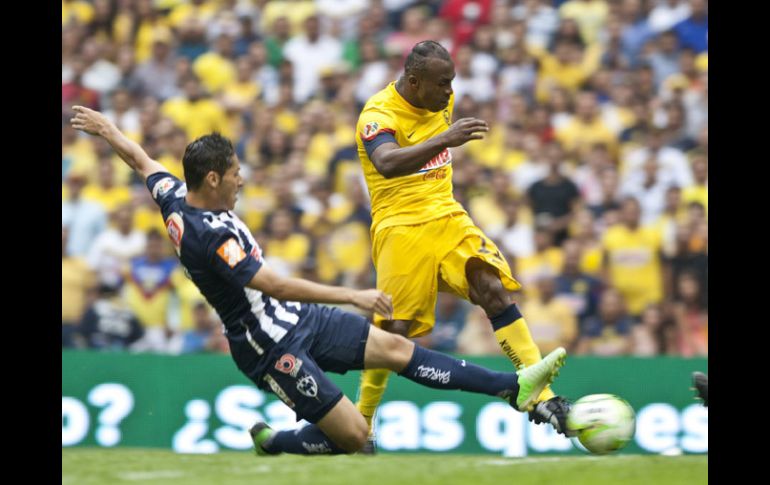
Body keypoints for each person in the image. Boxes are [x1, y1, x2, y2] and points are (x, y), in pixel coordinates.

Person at [70, 105, 568, 456]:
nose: (243, 179)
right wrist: (351, 295)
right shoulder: (208, 237)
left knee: (396, 351)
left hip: (299, 318)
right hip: (269, 346)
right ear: (215, 180)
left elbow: (140, 160)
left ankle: (513, 388)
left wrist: (105, 128)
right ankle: (277, 442)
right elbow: (274, 286)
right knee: (356, 440)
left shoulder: (177, 197)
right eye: (236, 173)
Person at [354, 40, 574, 448]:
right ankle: (360, 424)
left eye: (452, 82)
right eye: (442, 84)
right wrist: (446, 139)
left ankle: (542, 397)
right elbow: (386, 163)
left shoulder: (438, 99)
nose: (449, 92)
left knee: (492, 286)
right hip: (400, 228)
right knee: (394, 332)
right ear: (414, 82)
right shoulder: (377, 114)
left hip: (448, 216)